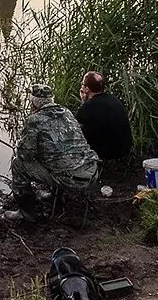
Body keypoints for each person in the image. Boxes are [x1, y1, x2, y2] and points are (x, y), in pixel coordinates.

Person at [7, 84, 99, 221]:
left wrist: (30, 150)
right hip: (92, 173)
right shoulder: (66, 112)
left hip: (71, 181)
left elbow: (24, 156)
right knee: (59, 157)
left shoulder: (34, 120)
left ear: (33, 103)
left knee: (18, 165)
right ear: (51, 100)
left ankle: (26, 213)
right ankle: (55, 196)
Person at [75, 71, 132, 161]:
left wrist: (84, 101)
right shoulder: (114, 99)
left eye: (82, 84)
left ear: (86, 89)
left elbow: (77, 132)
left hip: (106, 152)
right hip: (125, 149)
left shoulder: (87, 107)